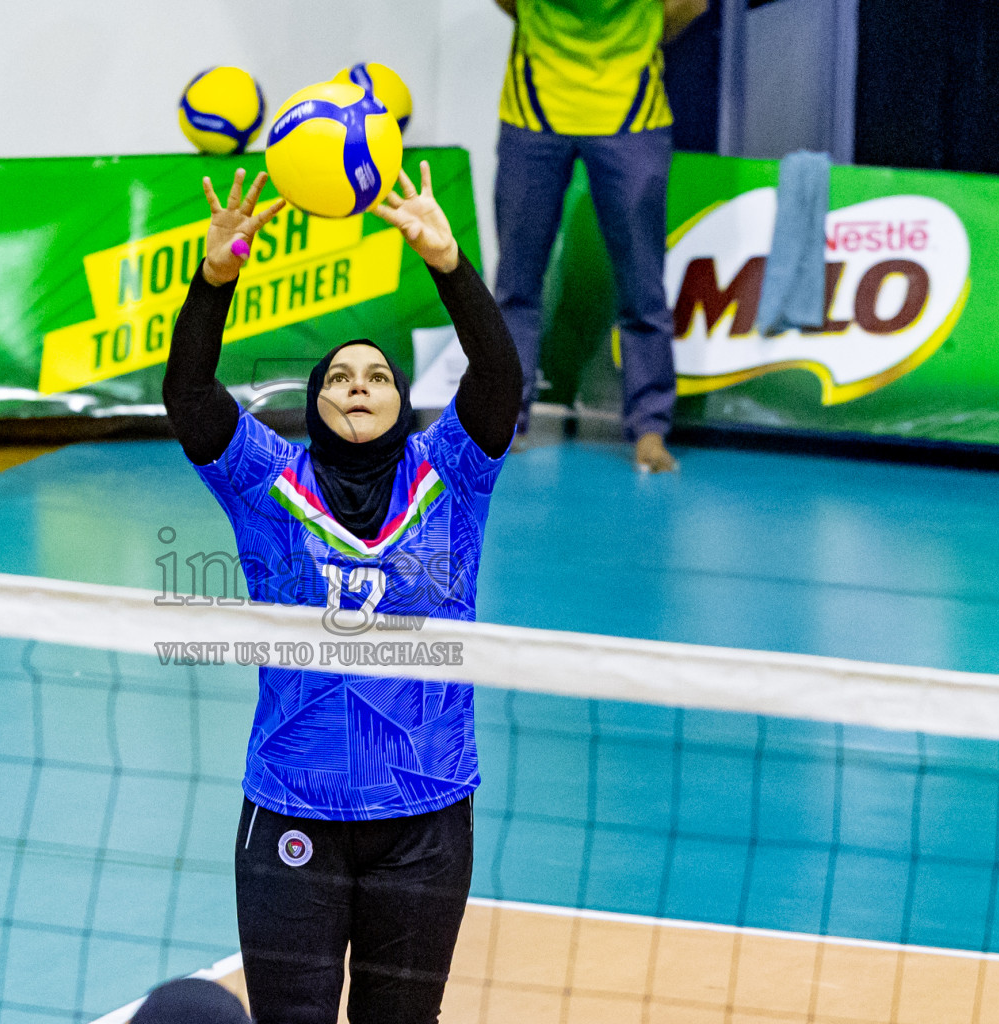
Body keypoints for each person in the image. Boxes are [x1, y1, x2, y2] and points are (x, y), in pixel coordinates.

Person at [162, 164, 521, 1024]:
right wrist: (216, 279)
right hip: (293, 807)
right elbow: (190, 393)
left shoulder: (451, 477)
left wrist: (449, 263)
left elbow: (500, 381)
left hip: (426, 813)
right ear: (315, 405)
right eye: (337, 378)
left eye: (378, 377)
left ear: (403, 404)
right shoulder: (266, 482)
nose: (358, 385)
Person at [493, 0, 708, 472]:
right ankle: (506, 422)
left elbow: (690, 3)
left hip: (632, 116)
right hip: (533, 114)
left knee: (642, 288)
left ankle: (650, 431)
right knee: (516, 285)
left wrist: (636, 39)